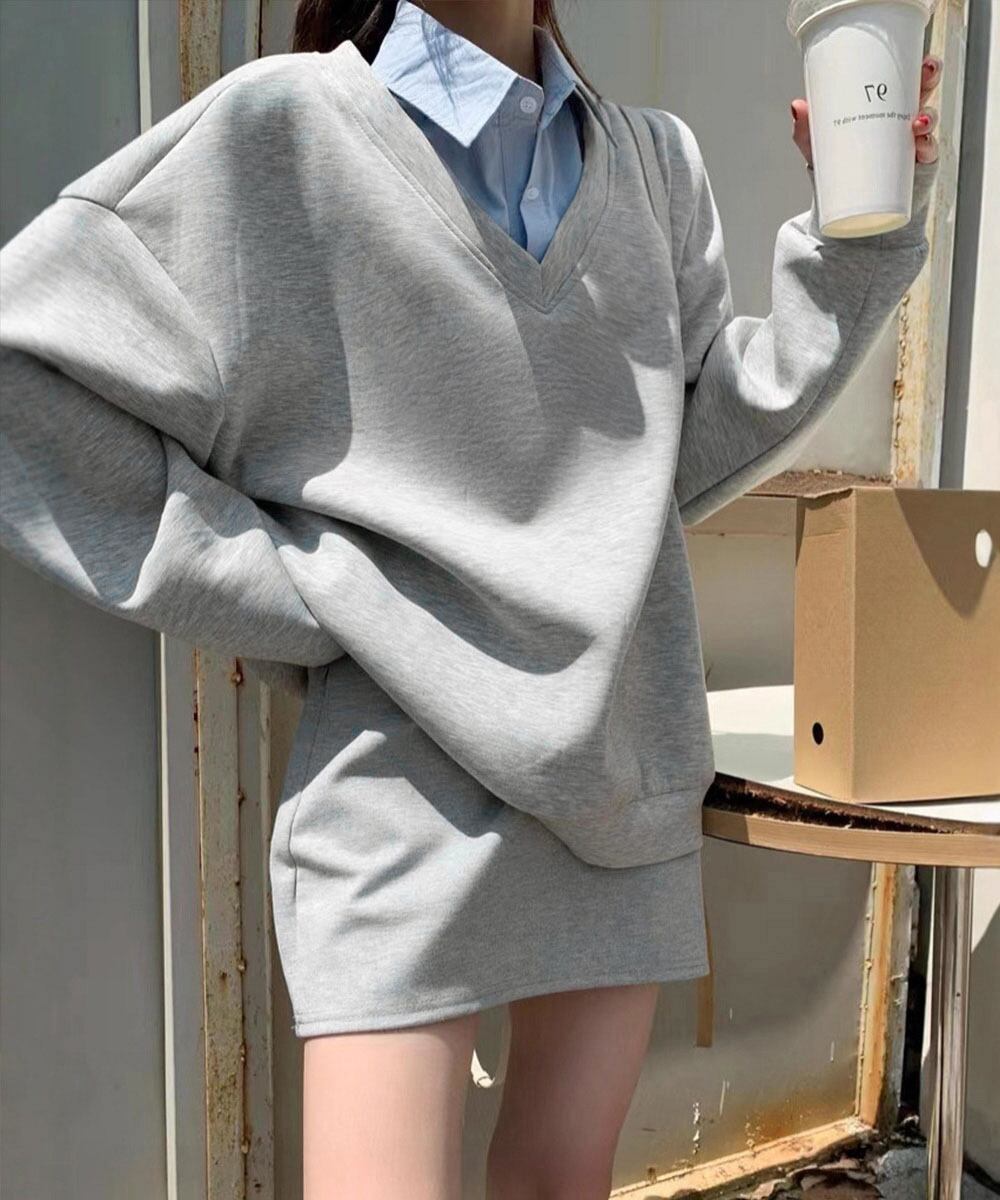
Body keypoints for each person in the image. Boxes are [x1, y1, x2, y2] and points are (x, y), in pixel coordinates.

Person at [0, 1, 941, 1196]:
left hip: (619, 779)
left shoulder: (653, 162)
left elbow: (675, 453)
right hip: (400, 793)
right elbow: (23, 381)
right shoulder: (281, 131)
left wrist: (856, 244)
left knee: (561, 1181)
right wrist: (308, 591)